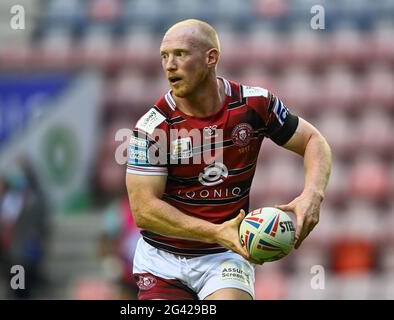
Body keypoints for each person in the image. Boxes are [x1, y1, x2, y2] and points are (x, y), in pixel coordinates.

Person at [125, 19, 332, 300]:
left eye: (180, 54)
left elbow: (312, 141)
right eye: (164, 55)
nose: (169, 65)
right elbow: (144, 210)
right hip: (162, 261)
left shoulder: (255, 104)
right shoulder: (151, 128)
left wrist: (313, 194)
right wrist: (215, 232)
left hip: (224, 256)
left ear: (211, 58)